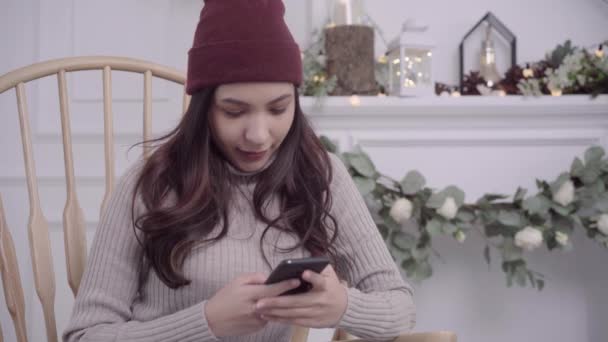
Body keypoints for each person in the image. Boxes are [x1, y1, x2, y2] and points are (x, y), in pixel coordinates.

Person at [63, 0, 415, 341]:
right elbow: (85, 335)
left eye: (278, 109)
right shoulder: (150, 185)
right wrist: (206, 322)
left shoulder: (321, 175)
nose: (258, 135)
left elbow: (400, 309)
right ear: (204, 111)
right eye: (234, 112)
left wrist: (343, 306)